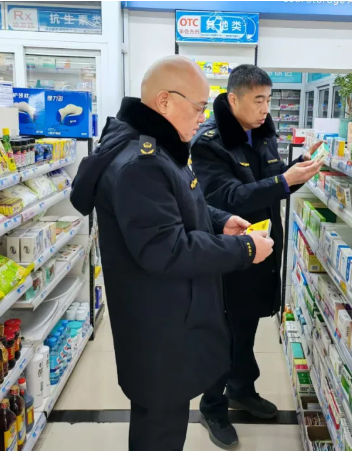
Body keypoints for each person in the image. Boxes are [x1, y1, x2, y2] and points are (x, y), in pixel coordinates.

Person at [70, 56, 275, 451]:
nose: (203, 117)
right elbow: (167, 249)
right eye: (198, 107)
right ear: (164, 101)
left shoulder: (159, 147)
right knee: (160, 429)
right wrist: (245, 248)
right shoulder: (141, 164)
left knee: (164, 420)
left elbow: (179, 205)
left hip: (165, 319)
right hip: (159, 329)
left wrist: (220, 221)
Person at [190, 64, 323, 448]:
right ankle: (212, 407)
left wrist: (295, 172)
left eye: (268, 99)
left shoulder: (263, 134)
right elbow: (227, 198)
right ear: (233, 100)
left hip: (261, 249)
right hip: (229, 251)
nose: (266, 108)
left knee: (246, 326)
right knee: (223, 333)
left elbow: (268, 181)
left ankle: (242, 389)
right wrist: (284, 181)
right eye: (258, 100)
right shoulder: (209, 143)